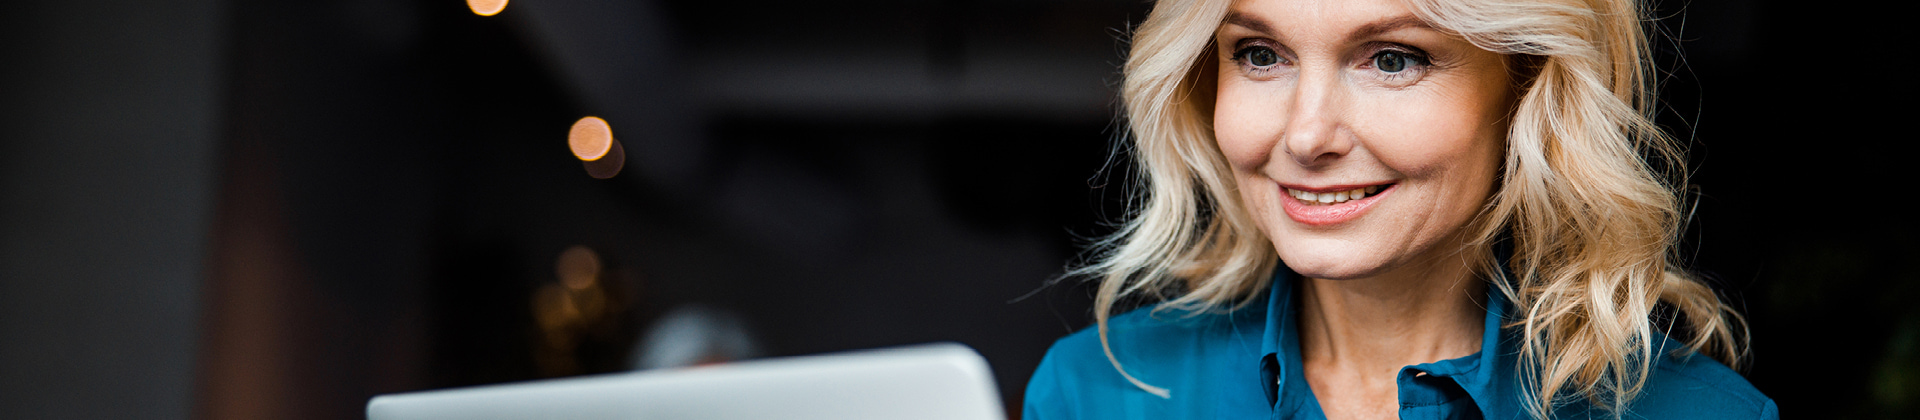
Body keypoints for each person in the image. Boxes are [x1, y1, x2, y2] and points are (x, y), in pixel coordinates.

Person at [1023, 0, 1776, 418]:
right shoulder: (1096, 394)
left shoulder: (1704, 417)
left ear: (1526, 86)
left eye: (1392, 59)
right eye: (1260, 54)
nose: (1307, 135)